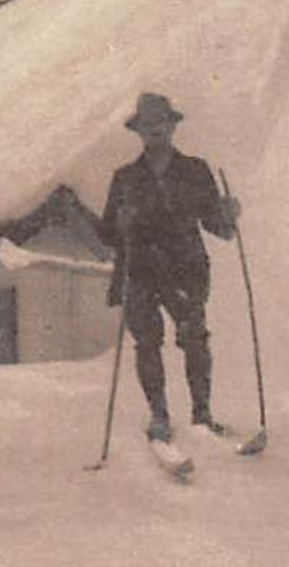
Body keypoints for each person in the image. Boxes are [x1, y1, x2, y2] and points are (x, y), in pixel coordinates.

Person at [98, 93, 241, 444]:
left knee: (194, 339)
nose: (156, 130)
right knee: (147, 344)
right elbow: (107, 233)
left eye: (161, 123)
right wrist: (121, 222)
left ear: (172, 126)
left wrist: (227, 214)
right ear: (140, 132)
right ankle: (159, 417)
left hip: (185, 270)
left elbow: (217, 228)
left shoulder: (195, 170)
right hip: (140, 271)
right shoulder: (126, 178)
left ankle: (202, 415)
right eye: (149, 126)